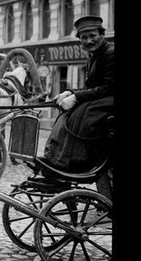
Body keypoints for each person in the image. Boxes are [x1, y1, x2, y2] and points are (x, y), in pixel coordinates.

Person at [42, 15, 114, 198]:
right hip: (104, 97)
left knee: (83, 114)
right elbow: (91, 86)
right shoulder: (94, 56)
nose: (89, 40)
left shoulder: (111, 53)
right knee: (68, 113)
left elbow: (110, 87)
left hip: (111, 100)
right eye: (84, 37)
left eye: (92, 35)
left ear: (102, 34)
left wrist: (77, 97)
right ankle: (56, 158)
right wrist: (70, 92)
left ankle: (74, 160)